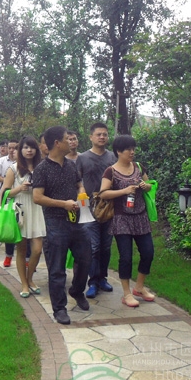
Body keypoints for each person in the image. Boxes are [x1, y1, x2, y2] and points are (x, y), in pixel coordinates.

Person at [33, 126, 92, 325]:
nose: (71, 141)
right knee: (57, 269)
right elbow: (37, 197)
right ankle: (59, 309)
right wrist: (63, 204)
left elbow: (79, 184)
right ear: (57, 143)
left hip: (76, 220)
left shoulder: (71, 165)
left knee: (85, 258)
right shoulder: (42, 169)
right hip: (55, 222)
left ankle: (77, 290)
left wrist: (81, 193)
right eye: (67, 139)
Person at [98, 134, 155, 308]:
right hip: (121, 218)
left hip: (141, 217)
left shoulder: (138, 166)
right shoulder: (110, 171)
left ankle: (139, 287)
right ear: (118, 151)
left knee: (148, 252)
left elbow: (150, 185)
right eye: (128, 149)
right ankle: (126, 293)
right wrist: (124, 191)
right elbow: (103, 193)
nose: (132, 152)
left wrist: (146, 186)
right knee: (126, 257)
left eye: (133, 149)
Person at [0, 136, 45, 298]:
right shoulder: (13, 169)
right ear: (20, 150)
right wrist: (19, 188)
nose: (29, 150)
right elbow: (5, 192)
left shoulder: (41, 168)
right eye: (25, 147)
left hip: (37, 209)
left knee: (37, 250)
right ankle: (24, 284)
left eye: (32, 147)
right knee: (21, 249)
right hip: (20, 210)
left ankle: (30, 278)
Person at [76, 122, 117, 299]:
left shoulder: (113, 157)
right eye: (98, 134)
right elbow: (77, 182)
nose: (102, 137)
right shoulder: (82, 158)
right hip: (89, 208)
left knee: (106, 247)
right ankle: (92, 282)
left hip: (108, 208)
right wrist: (81, 202)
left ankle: (102, 278)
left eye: (105, 134)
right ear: (91, 137)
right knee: (93, 247)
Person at [0, 139, 19, 266]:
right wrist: (8, 179)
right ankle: (8, 255)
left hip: (23, 199)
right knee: (9, 225)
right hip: (7, 196)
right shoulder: (2, 161)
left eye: (14, 148)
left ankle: (26, 259)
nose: (12, 150)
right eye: (10, 148)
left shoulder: (26, 164)